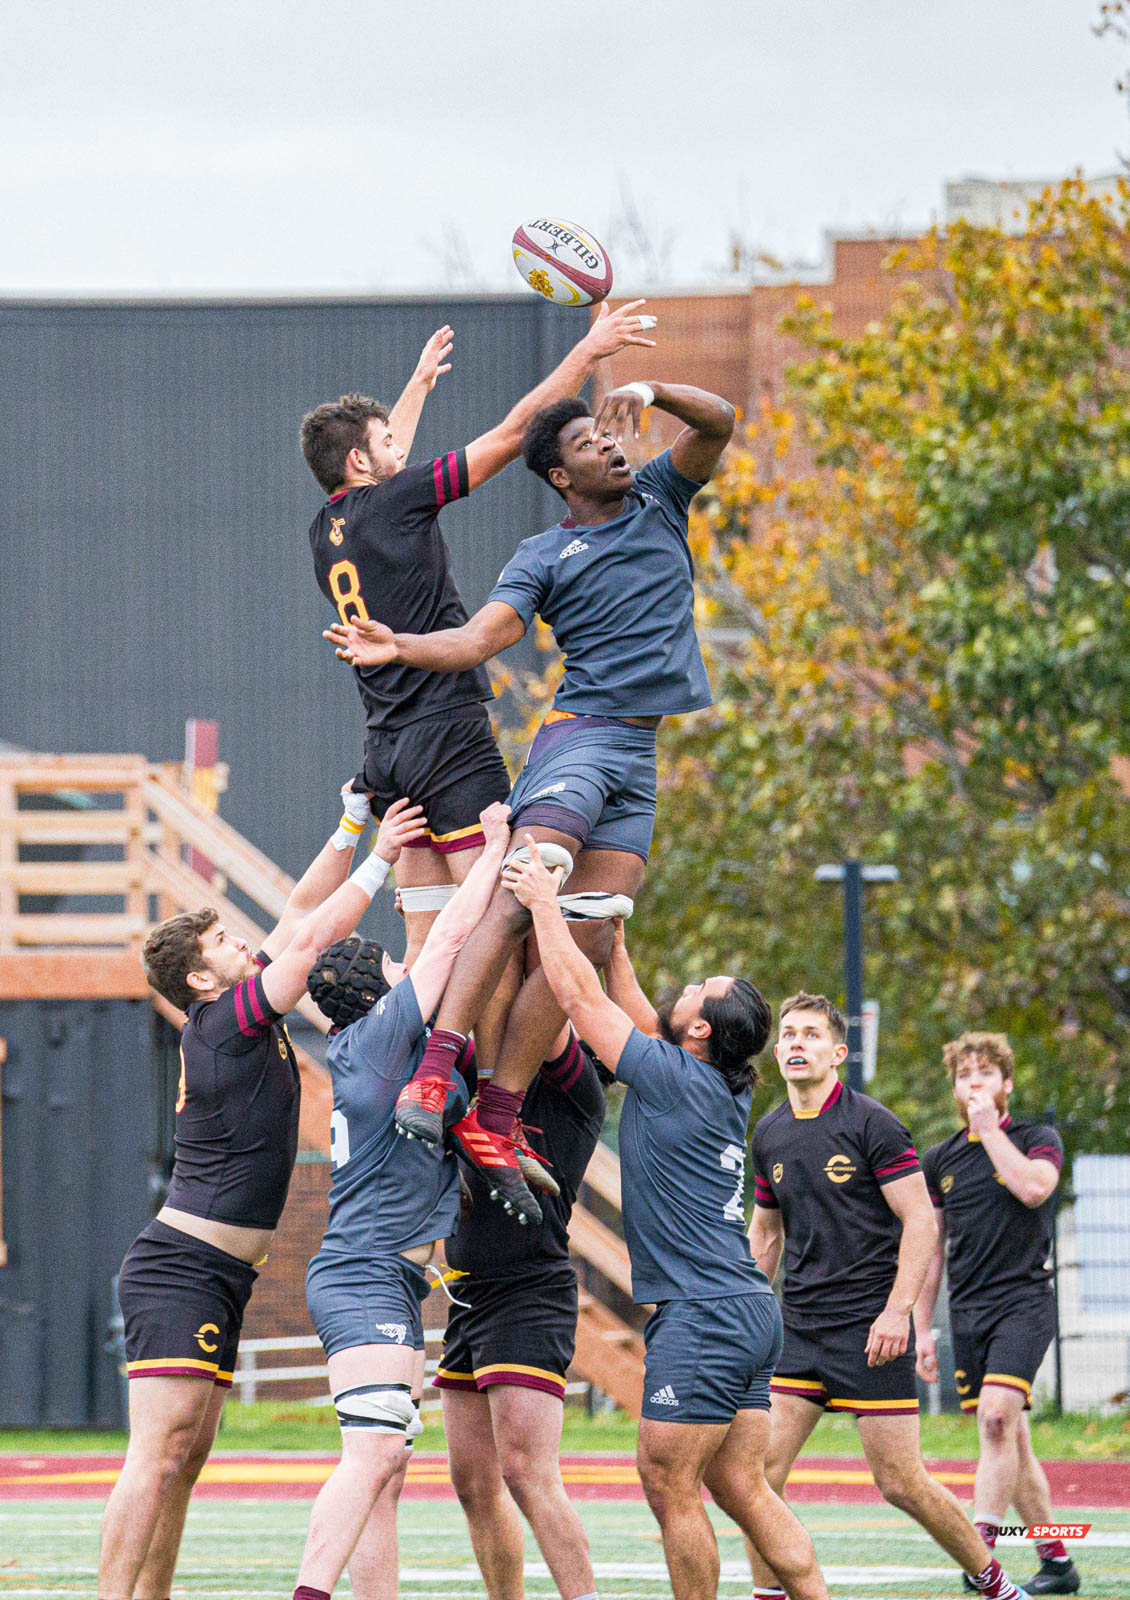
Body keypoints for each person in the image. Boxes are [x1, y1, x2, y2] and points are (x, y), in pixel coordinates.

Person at [326, 377, 735, 1223]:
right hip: (578, 740)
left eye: (610, 438)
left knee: (590, 930)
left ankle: (498, 1115)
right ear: (559, 475)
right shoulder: (543, 554)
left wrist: (651, 387)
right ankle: (433, 1074)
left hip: (638, 752)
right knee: (525, 889)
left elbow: (720, 421)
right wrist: (400, 645)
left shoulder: (661, 499)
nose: (611, 447)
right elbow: (478, 638)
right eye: (588, 445)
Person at [98, 785, 426, 1600]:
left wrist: (350, 822)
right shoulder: (223, 1023)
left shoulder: (243, 1012)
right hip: (180, 1268)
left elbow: (300, 907)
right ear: (199, 978)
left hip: (221, 1274)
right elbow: (311, 937)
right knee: (158, 1455)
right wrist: (382, 858)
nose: (239, 939)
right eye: (220, 940)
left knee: (186, 1461)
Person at [502, 846, 828, 1600]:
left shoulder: (673, 1077)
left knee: (667, 1481)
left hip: (703, 1314)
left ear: (701, 1032)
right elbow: (642, 1017)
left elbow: (580, 1000)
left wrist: (545, 903)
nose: (685, 988)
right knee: (742, 1487)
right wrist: (615, 944)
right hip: (747, 1310)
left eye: (697, 992)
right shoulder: (715, 1081)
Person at [301, 307, 655, 983]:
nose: (399, 447)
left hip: (387, 748)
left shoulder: (326, 529)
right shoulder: (396, 502)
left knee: (428, 944)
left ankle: (420, 1048)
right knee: (501, 928)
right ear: (359, 460)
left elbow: (384, 466)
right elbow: (516, 434)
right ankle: (506, 1055)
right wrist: (587, 351)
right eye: (385, 440)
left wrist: (416, 389)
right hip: (447, 738)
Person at [290, 803, 513, 1600]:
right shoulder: (385, 1037)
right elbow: (447, 940)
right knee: (376, 1453)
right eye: (388, 963)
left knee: (388, 1468)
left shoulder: (371, 1045)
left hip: (385, 1274)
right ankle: (309, 1592)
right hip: (365, 1272)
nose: (401, 966)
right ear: (371, 987)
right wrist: (493, 850)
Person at [747, 993, 1029, 1600]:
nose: (796, 1043)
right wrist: (743, 1311)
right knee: (758, 1476)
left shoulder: (871, 1123)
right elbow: (765, 1234)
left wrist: (898, 1313)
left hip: (870, 1332)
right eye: (788, 1034)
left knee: (900, 1482)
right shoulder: (768, 1133)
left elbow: (921, 1221)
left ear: (838, 1053)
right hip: (799, 1331)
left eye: (811, 1035)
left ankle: (995, 1584)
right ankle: (769, 1595)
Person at [434, 1025, 606, 1600]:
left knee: (528, 1474)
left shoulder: (573, 1094)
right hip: (469, 1296)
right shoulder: (483, 1074)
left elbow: (547, 1007)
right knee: (472, 1482)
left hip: (528, 1292)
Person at [916, 1033, 1077, 1596]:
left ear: (1006, 1083)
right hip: (969, 1311)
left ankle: (979, 1550)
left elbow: (1034, 1189)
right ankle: (1057, 1561)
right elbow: (931, 1250)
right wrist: (921, 1328)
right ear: (954, 1087)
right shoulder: (939, 1159)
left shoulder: (1036, 1140)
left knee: (995, 1420)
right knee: (1012, 1435)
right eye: (964, 1075)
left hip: (1024, 1303)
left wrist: (988, 1132)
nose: (974, 1083)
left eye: (985, 1073)